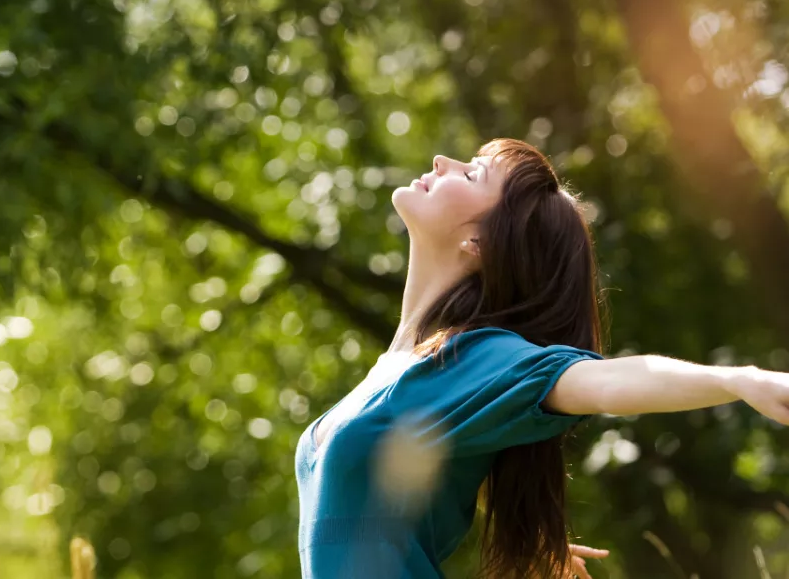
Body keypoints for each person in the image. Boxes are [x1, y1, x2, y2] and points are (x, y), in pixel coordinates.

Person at [293, 138, 789, 579]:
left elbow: (604, 380)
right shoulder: (407, 368)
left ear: (479, 241)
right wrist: (523, 533)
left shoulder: (474, 357)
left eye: (471, 174)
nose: (442, 161)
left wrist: (738, 379)